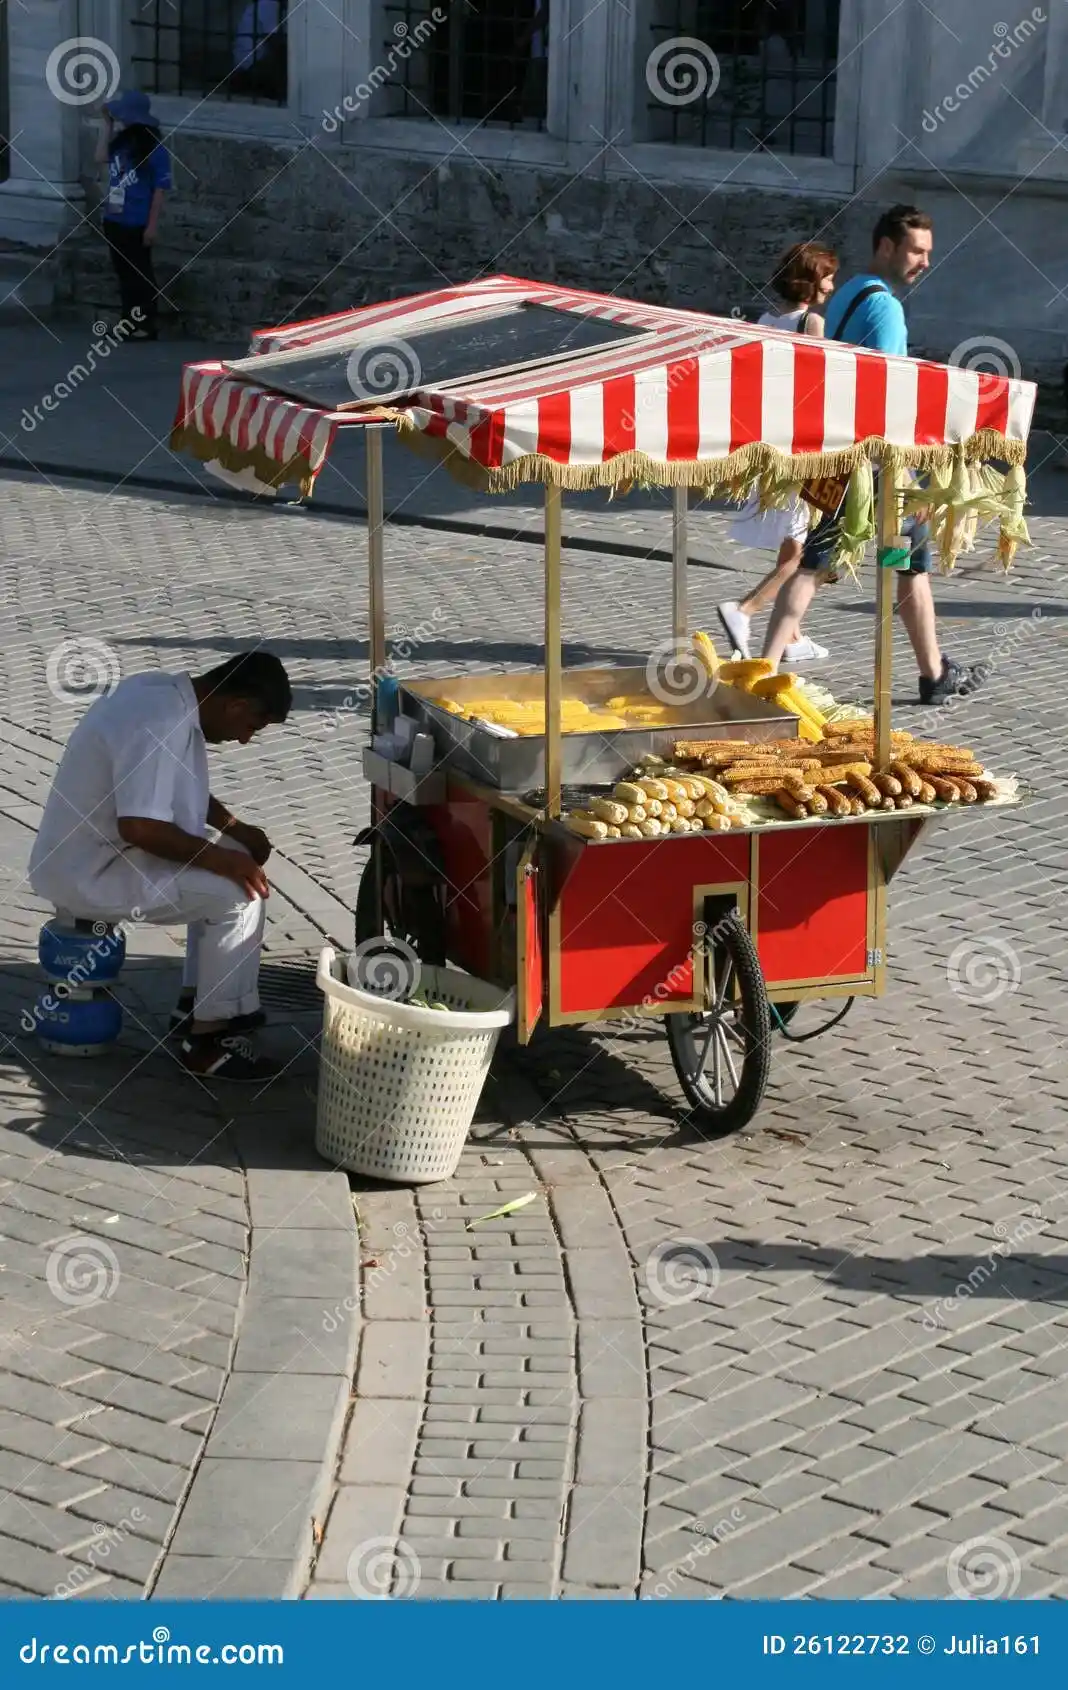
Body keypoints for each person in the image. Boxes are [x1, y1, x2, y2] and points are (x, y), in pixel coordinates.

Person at [28, 652, 292, 1082]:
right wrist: (222, 859)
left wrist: (234, 829)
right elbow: (140, 827)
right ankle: (209, 1041)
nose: (245, 740)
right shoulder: (161, 722)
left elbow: (172, 783)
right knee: (240, 895)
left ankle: (194, 1004)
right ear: (236, 705)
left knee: (233, 860)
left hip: (94, 854)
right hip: (91, 872)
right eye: (251, 727)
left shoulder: (160, 692)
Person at [762, 205, 987, 706]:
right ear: (886, 246)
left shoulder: (849, 292)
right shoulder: (884, 307)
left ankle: (931, 672)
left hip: (842, 456)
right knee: (872, 565)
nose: (924, 262)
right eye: (916, 251)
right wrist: (910, 468)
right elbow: (891, 390)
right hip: (879, 468)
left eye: (927, 252)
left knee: (865, 562)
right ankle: (767, 668)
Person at [718, 241, 839, 664]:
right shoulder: (811, 323)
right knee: (801, 552)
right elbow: (820, 386)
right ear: (810, 280)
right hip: (802, 445)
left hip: (770, 441)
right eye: (827, 277)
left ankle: (792, 637)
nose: (831, 286)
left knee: (792, 541)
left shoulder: (765, 320)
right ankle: (744, 609)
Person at [95, 91, 171, 342]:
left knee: (140, 274)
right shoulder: (121, 143)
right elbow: (100, 157)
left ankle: (145, 324)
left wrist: (152, 226)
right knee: (124, 274)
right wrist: (107, 125)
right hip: (114, 218)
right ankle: (128, 322)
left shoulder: (155, 150)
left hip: (137, 220)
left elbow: (159, 190)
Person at [231, 1, 287, 101]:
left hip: (247, 64)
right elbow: (275, 42)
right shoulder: (269, 4)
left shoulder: (265, 5)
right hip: (252, 65)